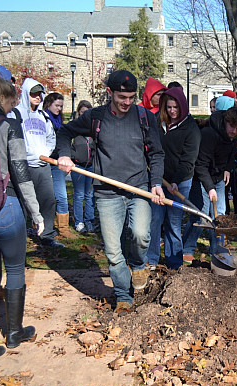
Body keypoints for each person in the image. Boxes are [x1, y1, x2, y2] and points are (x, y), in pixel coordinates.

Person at [56, 70, 165, 313]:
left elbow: (156, 153)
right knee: (114, 251)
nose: (127, 102)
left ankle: (138, 264)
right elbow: (65, 132)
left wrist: (156, 182)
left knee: (140, 235)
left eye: (131, 97)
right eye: (121, 97)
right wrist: (64, 153)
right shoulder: (96, 117)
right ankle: (123, 296)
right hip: (106, 193)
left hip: (139, 188)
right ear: (109, 93)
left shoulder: (144, 116)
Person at [0, 65, 42, 366]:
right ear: (3, 97)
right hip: (5, 207)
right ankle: (14, 333)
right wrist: (36, 213)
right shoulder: (7, 125)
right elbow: (21, 174)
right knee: (15, 268)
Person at [182, 106, 237, 257]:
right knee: (201, 215)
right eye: (232, 127)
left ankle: (217, 250)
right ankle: (187, 249)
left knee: (221, 216)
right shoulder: (209, 134)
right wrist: (209, 187)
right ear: (226, 121)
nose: (234, 131)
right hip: (201, 178)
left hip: (218, 178)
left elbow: (233, 153)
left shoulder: (235, 134)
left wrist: (227, 169)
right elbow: (200, 164)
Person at [147, 87, 200, 269]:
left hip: (181, 180)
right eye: (169, 107)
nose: (172, 111)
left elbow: (188, 161)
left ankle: (174, 262)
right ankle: (151, 260)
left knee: (174, 221)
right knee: (155, 218)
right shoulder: (158, 122)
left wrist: (176, 181)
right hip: (158, 179)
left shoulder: (191, 129)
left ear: (183, 106)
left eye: (176, 107)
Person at [13, 78, 64, 247]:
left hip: (43, 165)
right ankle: (20, 235)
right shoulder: (15, 114)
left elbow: (51, 137)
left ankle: (47, 235)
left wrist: (46, 153)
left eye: (39, 94)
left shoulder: (43, 116)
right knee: (23, 201)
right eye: (33, 94)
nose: (37, 97)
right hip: (24, 165)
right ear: (26, 93)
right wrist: (26, 155)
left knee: (48, 200)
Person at [43, 92, 76, 239]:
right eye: (57, 105)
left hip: (57, 163)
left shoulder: (60, 122)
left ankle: (63, 228)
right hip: (43, 162)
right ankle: (41, 226)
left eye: (61, 106)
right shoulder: (42, 119)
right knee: (45, 196)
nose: (59, 109)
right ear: (48, 104)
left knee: (61, 196)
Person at [70, 100, 95, 233]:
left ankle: (89, 220)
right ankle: (79, 221)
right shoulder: (74, 127)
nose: (85, 115)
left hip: (90, 166)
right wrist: (72, 157)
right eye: (82, 112)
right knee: (79, 195)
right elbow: (66, 141)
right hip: (78, 166)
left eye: (87, 112)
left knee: (89, 194)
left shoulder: (93, 129)